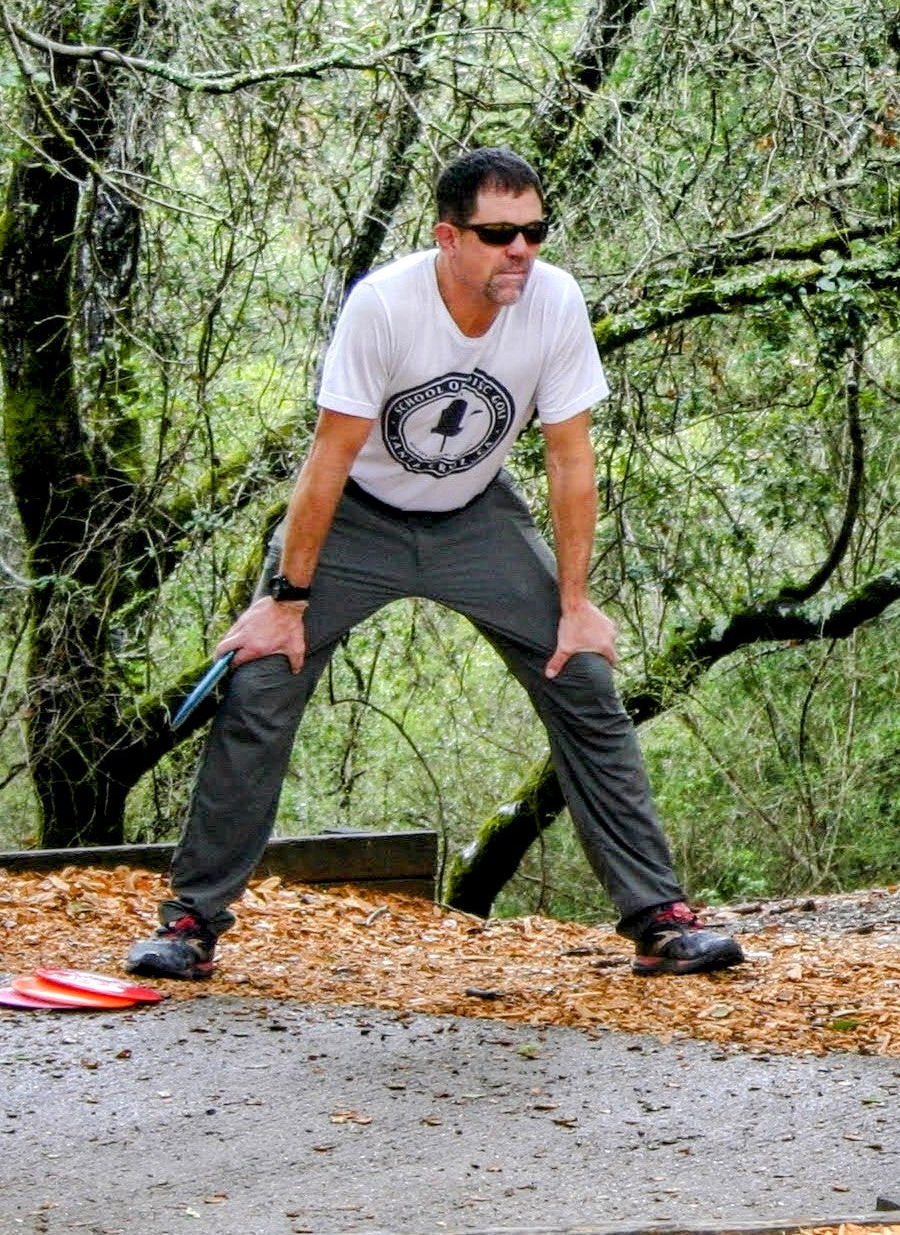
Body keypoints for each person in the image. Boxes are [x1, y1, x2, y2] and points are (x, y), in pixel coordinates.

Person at [127, 147, 743, 981]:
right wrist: (286, 596)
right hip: (356, 521)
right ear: (448, 237)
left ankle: (659, 917)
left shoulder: (554, 301)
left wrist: (575, 601)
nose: (521, 250)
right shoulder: (384, 305)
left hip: (474, 518)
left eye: (534, 231)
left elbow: (570, 460)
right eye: (499, 234)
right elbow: (327, 461)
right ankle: (191, 922)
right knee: (262, 685)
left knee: (585, 676)